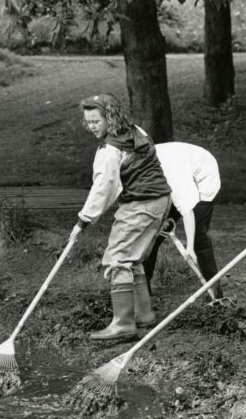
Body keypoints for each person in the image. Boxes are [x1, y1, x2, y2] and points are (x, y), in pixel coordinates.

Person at [70, 93, 172, 340]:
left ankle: (123, 324)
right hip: (159, 200)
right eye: (88, 121)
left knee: (117, 258)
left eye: (96, 121)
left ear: (109, 117)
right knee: (132, 257)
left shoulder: (111, 149)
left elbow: (104, 188)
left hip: (142, 203)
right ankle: (143, 314)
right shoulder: (135, 131)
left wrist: (83, 220)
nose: (92, 126)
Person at [142, 142, 225, 301]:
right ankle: (142, 293)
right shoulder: (139, 167)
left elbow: (187, 211)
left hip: (203, 176)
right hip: (173, 177)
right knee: (151, 236)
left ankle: (215, 293)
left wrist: (190, 247)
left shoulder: (175, 176)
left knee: (199, 235)